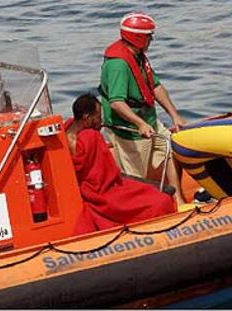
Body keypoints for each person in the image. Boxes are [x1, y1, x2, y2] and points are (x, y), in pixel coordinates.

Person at [99, 12, 187, 205]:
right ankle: (140, 211)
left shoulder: (138, 57)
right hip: (130, 129)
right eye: (149, 36)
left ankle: (178, 200)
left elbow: (154, 86)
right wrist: (139, 123)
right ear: (137, 37)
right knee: (134, 174)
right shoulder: (118, 65)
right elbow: (116, 102)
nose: (151, 39)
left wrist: (175, 115)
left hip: (149, 120)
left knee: (169, 148)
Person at [65, 93, 176, 235]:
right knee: (161, 201)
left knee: (145, 189)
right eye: (98, 117)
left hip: (87, 188)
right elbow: (104, 178)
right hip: (102, 191)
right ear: (87, 118)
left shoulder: (66, 131)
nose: (101, 122)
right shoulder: (90, 137)